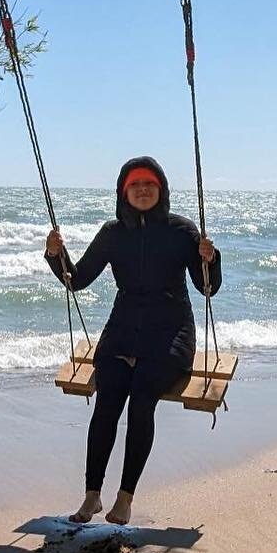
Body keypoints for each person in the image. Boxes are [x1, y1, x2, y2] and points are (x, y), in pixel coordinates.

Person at [45, 156, 221, 527]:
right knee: (108, 400)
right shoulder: (113, 233)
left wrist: (211, 259)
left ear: (161, 190)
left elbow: (207, 289)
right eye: (135, 185)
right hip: (123, 328)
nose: (143, 190)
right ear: (124, 192)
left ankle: (124, 499)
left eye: (149, 184)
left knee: (142, 398)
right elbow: (76, 280)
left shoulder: (182, 231)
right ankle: (92, 496)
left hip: (171, 332)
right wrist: (55, 255)